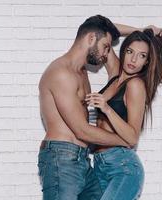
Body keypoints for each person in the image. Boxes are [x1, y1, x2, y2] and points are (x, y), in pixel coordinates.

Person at [37, 15, 129, 200]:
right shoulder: (61, 73)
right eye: (105, 47)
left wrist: (143, 31)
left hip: (82, 160)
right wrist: (125, 139)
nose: (106, 54)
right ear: (91, 38)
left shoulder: (81, 72)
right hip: (60, 159)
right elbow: (81, 130)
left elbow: (106, 28)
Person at [85, 24, 162, 199]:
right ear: (123, 51)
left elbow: (132, 137)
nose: (133, 60)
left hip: (122, 167)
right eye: (130, 52)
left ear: (147, 61)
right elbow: (102, 27)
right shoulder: (115, 76)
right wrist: (140, 30)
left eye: (142, 56)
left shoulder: (135, 85)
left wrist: (106, 108)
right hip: (100, 166)